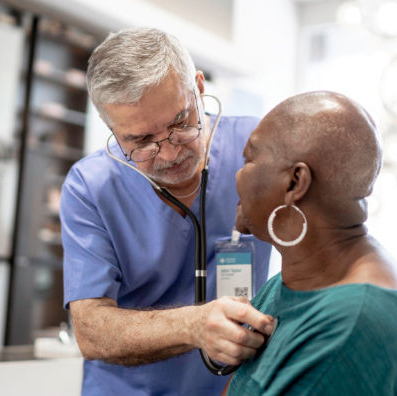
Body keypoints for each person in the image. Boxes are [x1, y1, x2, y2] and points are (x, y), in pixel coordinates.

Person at [60, 27, 274, 395]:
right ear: (112, 129)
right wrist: (194, 326)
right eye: (141, 140)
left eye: (180, 122)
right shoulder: (90, 187)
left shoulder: (259, 150)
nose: (171, 154)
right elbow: (91, 332)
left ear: (199, 88)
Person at [226, 91, 397, 395]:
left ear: (294, 183)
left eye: (249, 158)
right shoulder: (296, 281)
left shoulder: (350, 327)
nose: (237, 175)